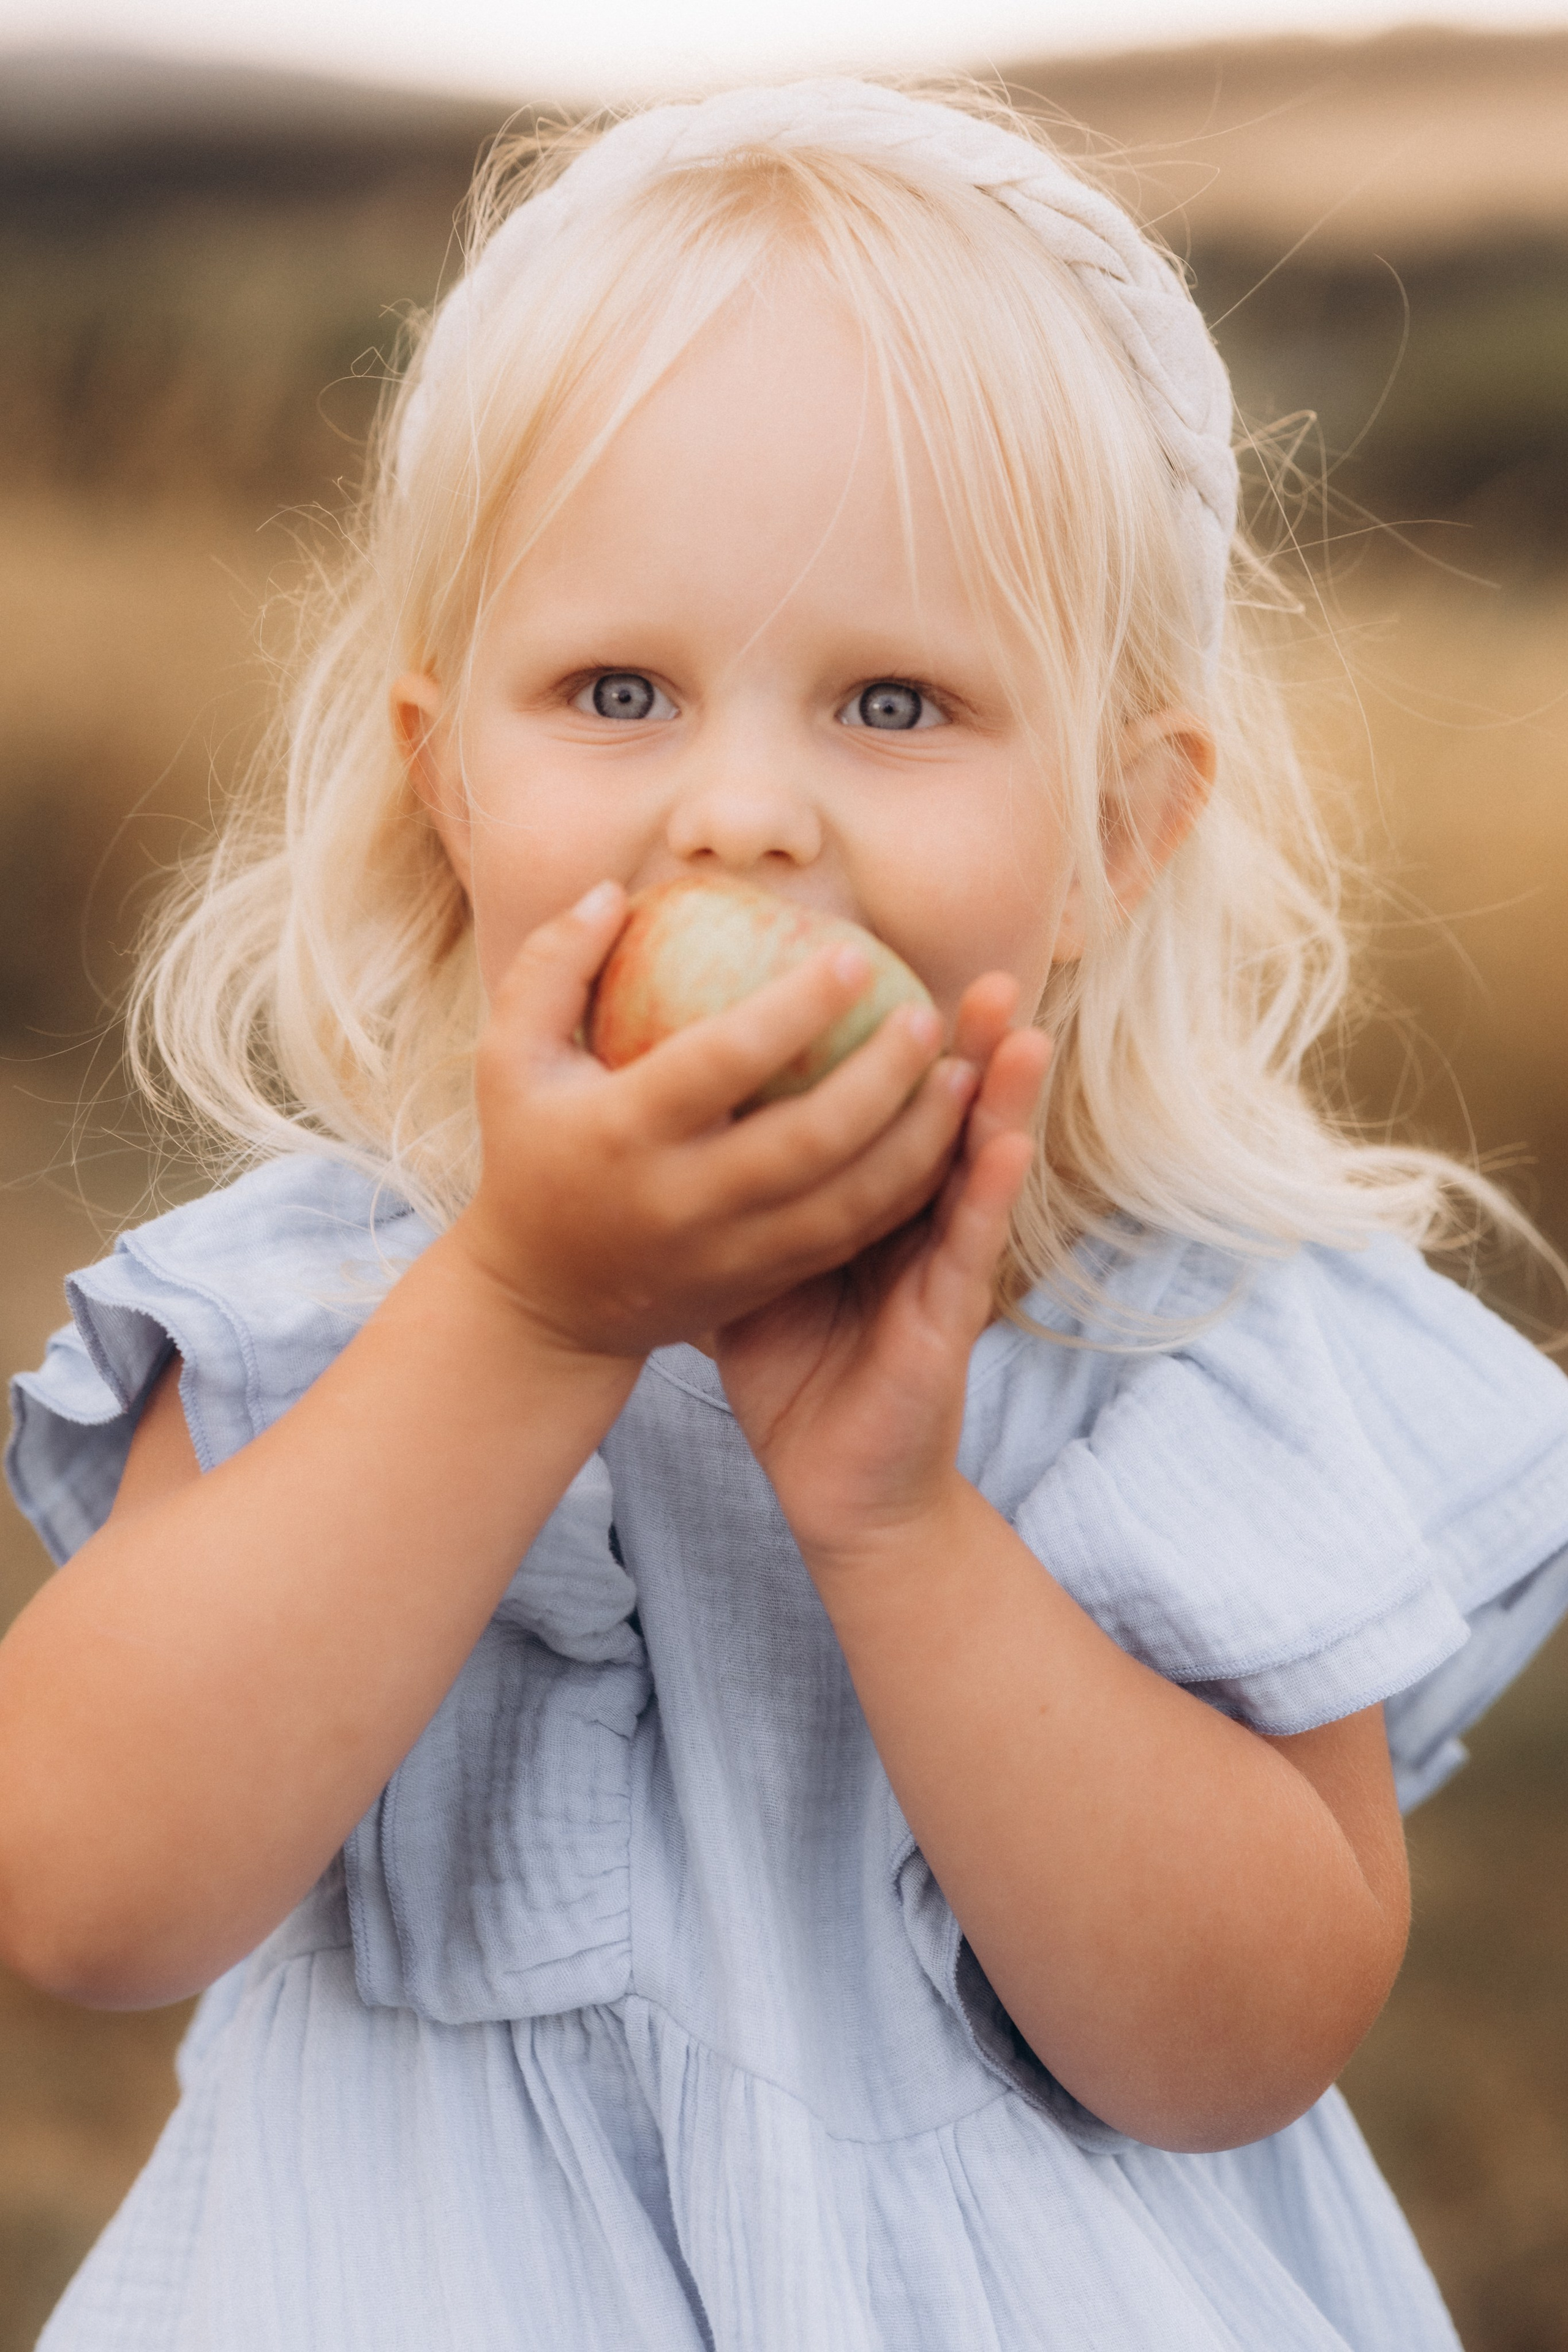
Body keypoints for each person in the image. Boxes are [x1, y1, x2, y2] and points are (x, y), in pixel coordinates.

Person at [4, 78, 1567, 2352]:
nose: (743, 813)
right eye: (616, 691)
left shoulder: (1174, 1332)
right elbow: (78, 1889)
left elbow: (1243, 2043)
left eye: (896, 701)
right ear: (449, 781)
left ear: (1120, 833)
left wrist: (897, 1519)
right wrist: (533, 1320)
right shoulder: (334, 1298)